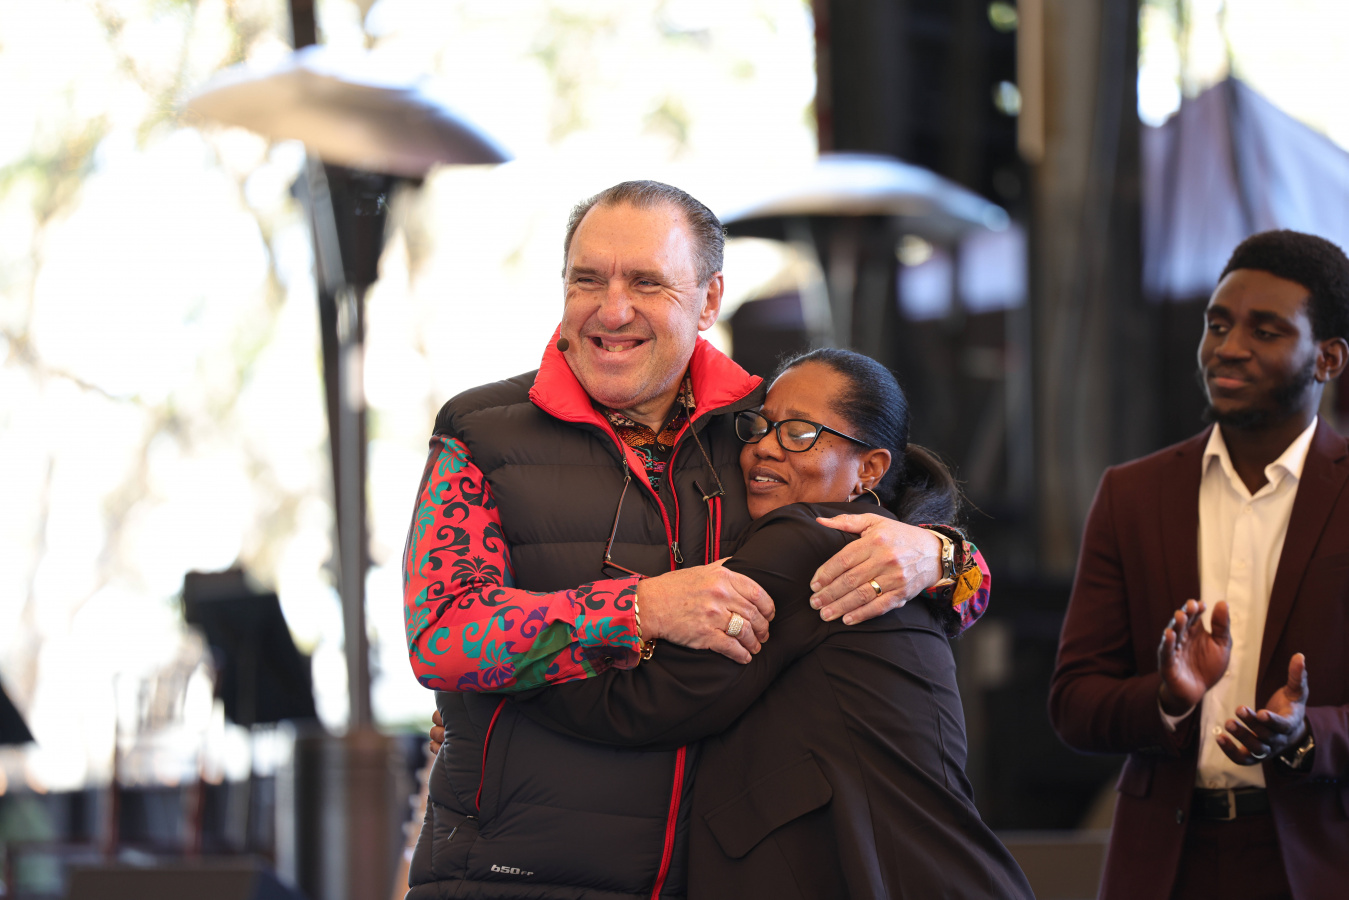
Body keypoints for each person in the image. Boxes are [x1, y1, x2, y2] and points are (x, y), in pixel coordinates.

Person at [402, 181, 990, 899]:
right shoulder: (482, 429)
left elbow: (936, 572)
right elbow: (440, 637)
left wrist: (944, 556)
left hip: (711, 876)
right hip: (513, 872)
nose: (612, 309)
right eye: (587, 280)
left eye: (646, 282)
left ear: (709, 300)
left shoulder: (758, 430)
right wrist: (638, 609)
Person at [491, 348, 1031, 899]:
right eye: (760, 426)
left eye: (799, 433)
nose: (764, 448)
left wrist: (496, 676)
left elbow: (649, 701)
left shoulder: (811, 538)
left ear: (869, 469)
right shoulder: (886, 546)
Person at [1049, 230, 1349, 900]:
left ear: (1327, 358)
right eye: (1217, 325)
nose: (1228, 347)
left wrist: (1306, 734)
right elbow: (1072, 704)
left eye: (1265, 330)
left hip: (1322, 862)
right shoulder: (1131, 495)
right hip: (1164, 867)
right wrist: (1167, 699)